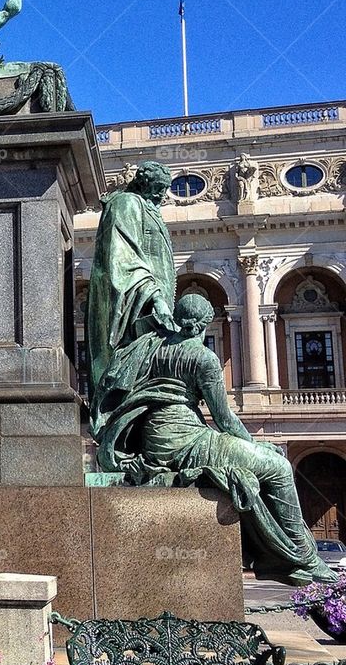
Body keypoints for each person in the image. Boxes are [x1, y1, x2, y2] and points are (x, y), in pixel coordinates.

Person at [92, 293, 336, 586]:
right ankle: (302, 558)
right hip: (186, 442)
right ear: (201, 327)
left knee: (270, 463)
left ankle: (284, 555)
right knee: (279, 467)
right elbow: (225, 419)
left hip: (155, 438)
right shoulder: (203, 358)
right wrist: (253, 444)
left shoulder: (152, 347)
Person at [86, 160, 177, 415]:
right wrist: (155, 298)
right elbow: (124, 261)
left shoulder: (146, 207)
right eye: (158, 188)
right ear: (142, 183)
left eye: (165, 189)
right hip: (136, 309)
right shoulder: (127, 204)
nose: (162, 195)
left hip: (149, 309)